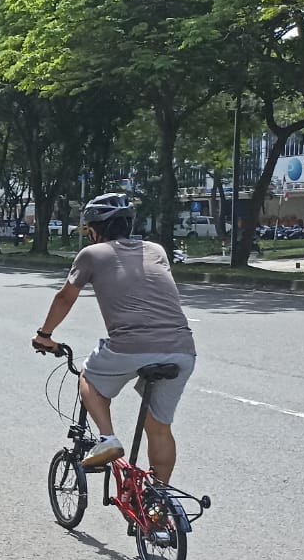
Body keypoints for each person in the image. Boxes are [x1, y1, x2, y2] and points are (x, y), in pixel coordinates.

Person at [32, 193, 195, 481]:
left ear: (94, 230)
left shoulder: (93, 254)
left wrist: (45, 335)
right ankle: (158, 504)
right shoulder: (156, 250)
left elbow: (65, 298)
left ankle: (108, 439)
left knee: (89, 377)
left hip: (131, 347)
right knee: (158, 427)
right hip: (182, 349)